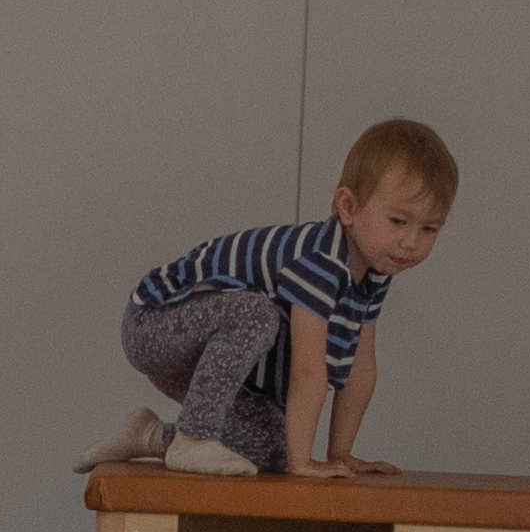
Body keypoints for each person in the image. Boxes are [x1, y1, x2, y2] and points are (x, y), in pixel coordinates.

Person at [85, 118, 456, 479]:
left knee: (275, 440)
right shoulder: (320, 262)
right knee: (256, 315)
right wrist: (304, 464)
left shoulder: (371, 277)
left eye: (429, 228)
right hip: (154, 320)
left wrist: (339, 453)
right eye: (398, 221)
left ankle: (149, 435)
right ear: (348, 207)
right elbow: (309, 371)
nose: (411, 242)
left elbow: (360, 372)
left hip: (207, 355)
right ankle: (193, 438)